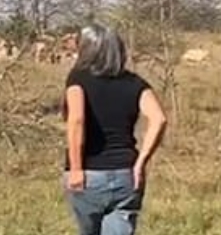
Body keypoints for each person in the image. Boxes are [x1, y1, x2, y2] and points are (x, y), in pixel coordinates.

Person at [61, 23, 168, 235]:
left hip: (88, 176)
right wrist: (141, 163)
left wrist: (75, 169)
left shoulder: (78, 78)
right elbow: (159, 119)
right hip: (127, 176)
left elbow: (77, 121)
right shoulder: (136, 83)